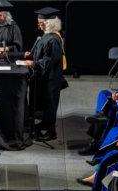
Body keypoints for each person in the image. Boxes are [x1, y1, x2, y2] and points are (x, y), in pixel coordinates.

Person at [23, 7, 68, 141]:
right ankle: (44, 124)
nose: (38, 24)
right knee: (45, 103)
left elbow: (50, 59)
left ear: (49, 23)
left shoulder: (54, 39)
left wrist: (34, 64)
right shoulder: (46, 36)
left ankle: (51, 132)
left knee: (50, 104)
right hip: (45, 77)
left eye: (40, 21)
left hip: (52, 78)